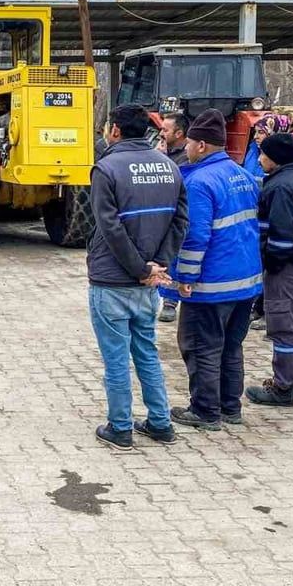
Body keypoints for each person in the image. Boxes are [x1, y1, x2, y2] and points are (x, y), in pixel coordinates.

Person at [87, 104, 189, 450]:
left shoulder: (106, 168)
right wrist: (157, 264)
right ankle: (160, 423)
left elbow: (110, 228)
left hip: (113, 281)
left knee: (116, 359)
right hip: (149, 282)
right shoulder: (170, 167)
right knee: (146, 351)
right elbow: (180, 221)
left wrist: (141, 268)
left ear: (115, 130)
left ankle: (120, 428)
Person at [162, 109, 262, 430]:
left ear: (202, 145)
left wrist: (185, 278)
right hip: (245, 281)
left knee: (201, 346)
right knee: (231, 346)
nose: (187, 148)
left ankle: (205, 410)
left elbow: (195, 236)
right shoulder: (242, 175)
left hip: (211, 284)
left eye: (190, 142)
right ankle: (230, 407)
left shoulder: (199, 182)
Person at [247, 132, 293, 407]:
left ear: (275, 158)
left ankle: (283, 386)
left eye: (263, 154)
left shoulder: (281, 186)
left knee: (283, 324)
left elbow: (281, 234)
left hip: (287, 266)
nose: (260, 160)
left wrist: (272, 264)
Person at [243, 112, 293, 332]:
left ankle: (269, 312)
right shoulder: (252, 152)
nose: (256, 136)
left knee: (272, 268)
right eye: (255, 132)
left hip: (270, 216)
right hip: (255, 215)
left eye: (261, 132)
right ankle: (257, 307)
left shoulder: (282, 174)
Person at [156, 112, 192, 323]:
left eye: (165, 130)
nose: (161, 133)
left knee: (176, 256)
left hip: (179, 214)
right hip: (162, 213)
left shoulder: (187, 157)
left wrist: (161, 160)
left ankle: (170, 301)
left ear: (179, 133)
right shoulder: (162, 151)